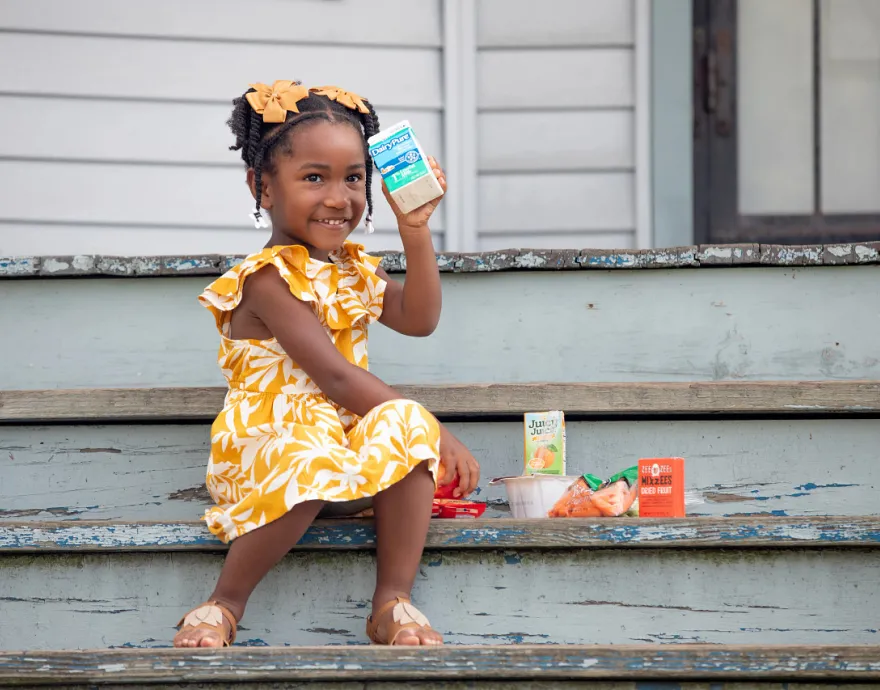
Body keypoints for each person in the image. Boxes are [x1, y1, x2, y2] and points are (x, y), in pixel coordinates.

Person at [172, 80, 480, 648]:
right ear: (261, 186)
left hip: (342, 451)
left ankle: (392, 601)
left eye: (354, 177)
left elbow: (419, 318)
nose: (339, 197)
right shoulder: (264, 280)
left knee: (403, 422)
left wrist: (415, 230)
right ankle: (225, 602)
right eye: (314, 177)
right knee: (356, 437)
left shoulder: (352, 270)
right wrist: (437, 431)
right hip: (272, 452)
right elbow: (336, 376)